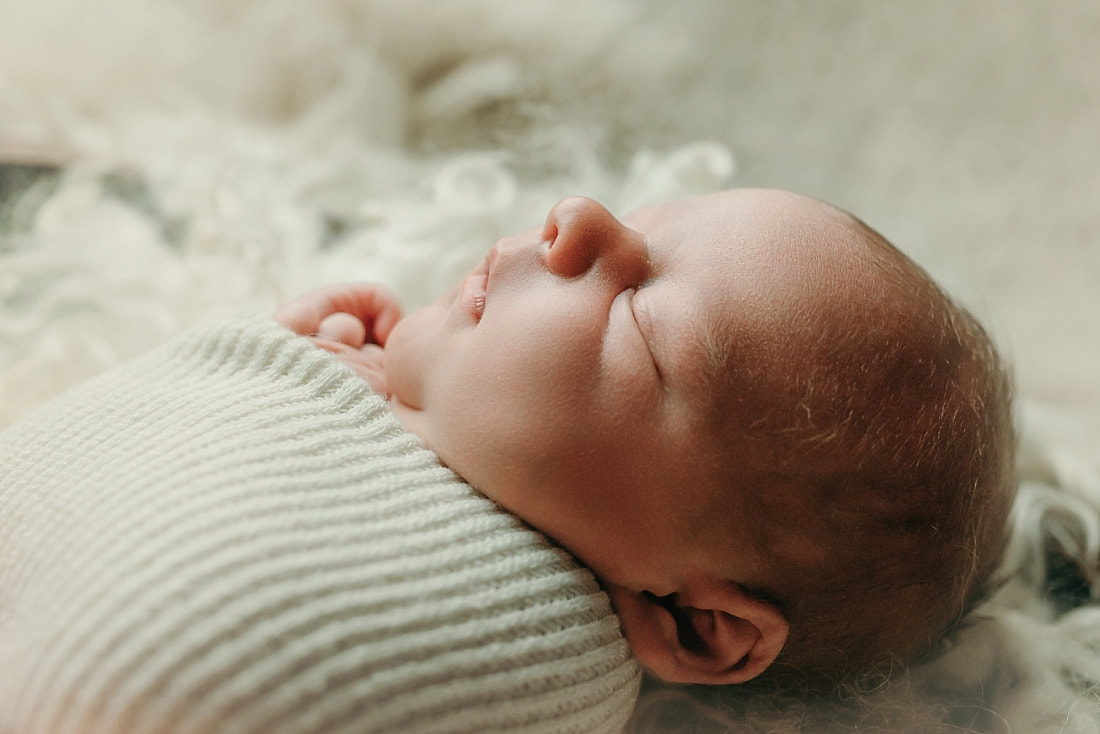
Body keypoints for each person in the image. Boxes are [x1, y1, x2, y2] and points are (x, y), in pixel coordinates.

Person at [275, 188, 1017, 688]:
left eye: (641, 324)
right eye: (647, 218)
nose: (577, 215)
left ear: (693, 628)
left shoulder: (470, 666)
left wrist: (291, 392)